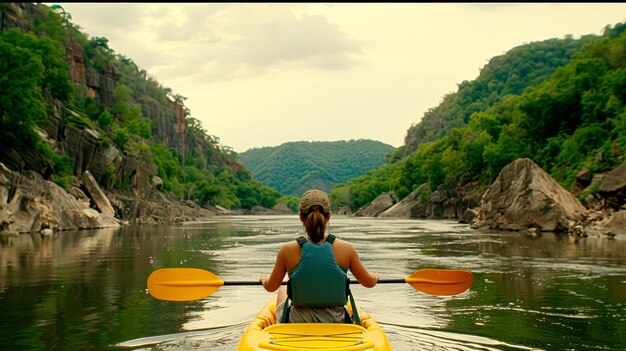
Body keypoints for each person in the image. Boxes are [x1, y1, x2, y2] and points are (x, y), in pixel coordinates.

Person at [260, 189, 379, 324]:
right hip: (336, 321)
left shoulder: (287, 250)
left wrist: (264, 279)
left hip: (298, 322)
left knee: (285, 283)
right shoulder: (347, 249)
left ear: (300, 217)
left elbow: (271, 287)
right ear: (328, 216)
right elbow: (368, 283)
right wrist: (375, 277)